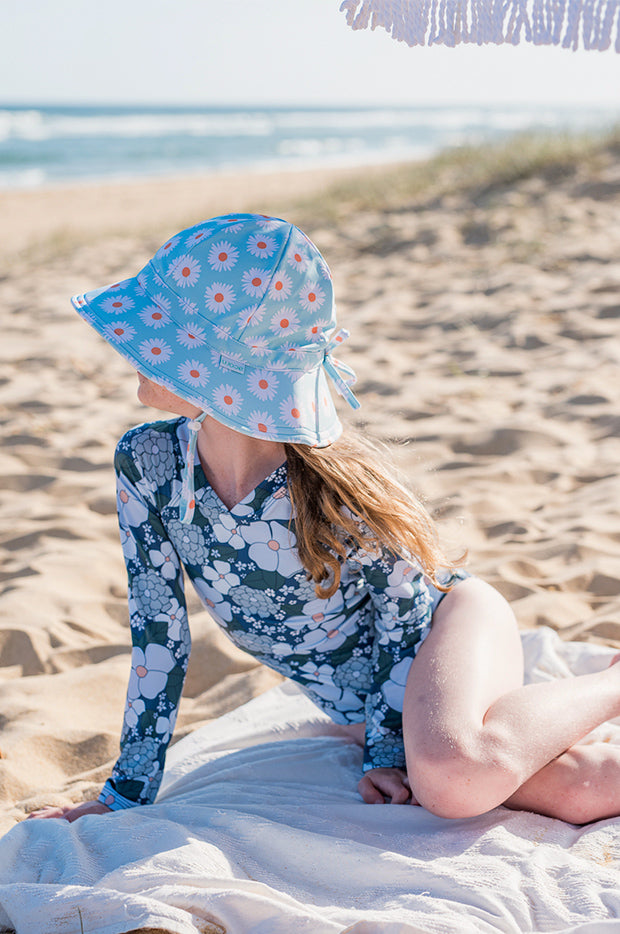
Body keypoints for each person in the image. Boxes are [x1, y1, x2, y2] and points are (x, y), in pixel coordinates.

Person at [29, 213, 620, 827]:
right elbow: (159, 634)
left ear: (220, 369)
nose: (134, 348)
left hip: (444, 627)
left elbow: (405, 613)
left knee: (451, 778)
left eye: (164, 337)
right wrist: (122, 796)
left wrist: (386, 751)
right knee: (573, 789)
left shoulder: (332, 488)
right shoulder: (147, 463)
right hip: (365, 700)